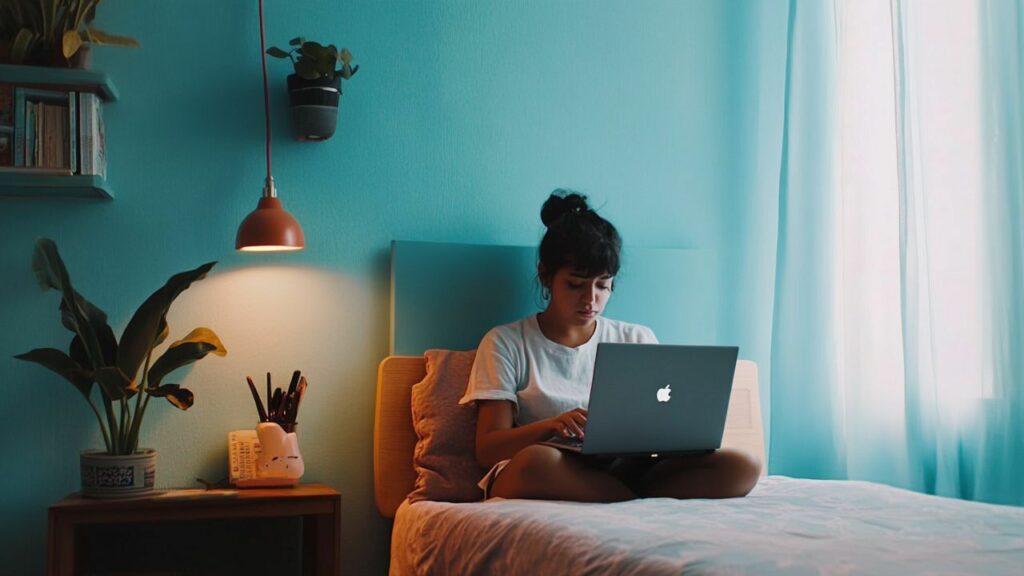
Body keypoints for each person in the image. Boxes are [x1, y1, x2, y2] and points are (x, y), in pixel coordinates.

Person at [459, 190, 761, 502]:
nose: (591, 300)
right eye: (575, 284)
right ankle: (631, 499)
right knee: (536, 462)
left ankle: (619, 496)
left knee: (744, 465)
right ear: (546, 276)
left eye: (603, 285)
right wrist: (551, 426)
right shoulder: (506, 342)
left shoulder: (636, 338)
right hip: (551, 467)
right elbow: (488, 448)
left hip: (626, 469)